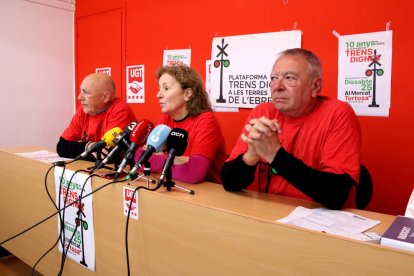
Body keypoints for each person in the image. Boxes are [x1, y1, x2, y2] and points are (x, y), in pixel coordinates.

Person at [221, 48, 361, 210]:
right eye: (274, 78)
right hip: (264, 213)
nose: (277, 86)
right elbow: (228, 181)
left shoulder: (337, 114)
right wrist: (250, 157)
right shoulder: (263, 112)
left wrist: (275, 154)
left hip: (317, 223)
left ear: (315, 86)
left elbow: (336, 194)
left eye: (289, 78)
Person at [134, 65, 227, 184]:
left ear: (187, 93)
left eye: (166, 88)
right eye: (159, 88)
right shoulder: (167, 118)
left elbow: (193, 173)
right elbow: (140, 158)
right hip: (175, 186)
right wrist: (175, 160)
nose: (158, 95)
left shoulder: (206, 121)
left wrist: (158, 160)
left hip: (207, 193)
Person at [57, 73, 136, 161]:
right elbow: (62, 147)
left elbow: (108, 155)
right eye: (80, 91)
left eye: (86, 92)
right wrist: (89, 146)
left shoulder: (120, 110)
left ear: (105, 97)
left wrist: (80, 148)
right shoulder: (84, 109)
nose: (79, 97)